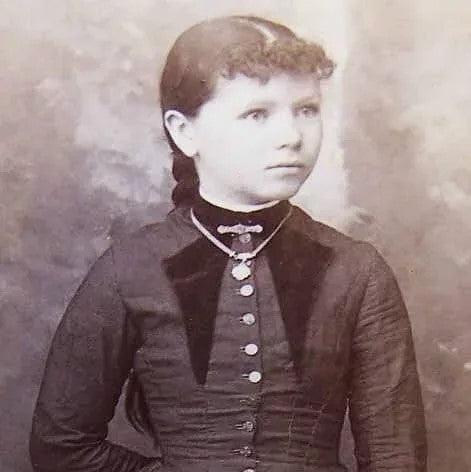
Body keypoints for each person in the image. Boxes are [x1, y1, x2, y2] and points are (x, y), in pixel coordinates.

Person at [30, 15, 427, 472]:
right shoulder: (130, 270)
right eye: (257, 114)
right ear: (184, 131)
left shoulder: (357, 272)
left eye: (307, 110)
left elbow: (397, 460)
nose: (291, 136)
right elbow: (62, 447)